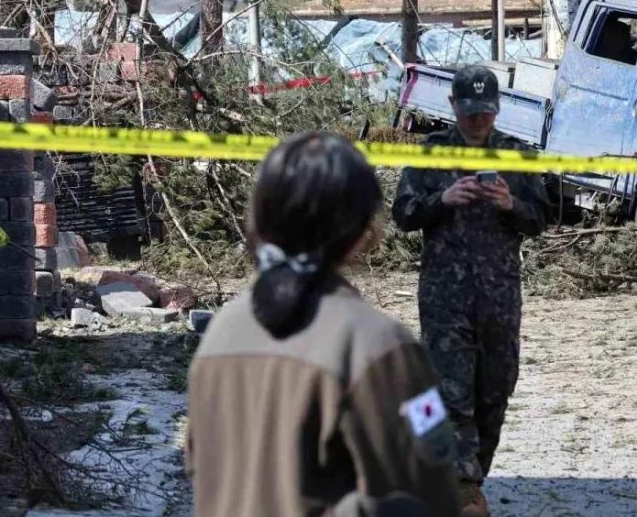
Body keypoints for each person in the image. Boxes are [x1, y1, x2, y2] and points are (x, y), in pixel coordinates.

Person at [185, 131, 460, 517]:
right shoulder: (379, 345)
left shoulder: (221, 332)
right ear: (362, 233)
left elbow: (204, 473)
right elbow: (433, 494)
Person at [392, 65, 550, 517]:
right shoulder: (434, 152)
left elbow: (541, 217)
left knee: (494, 393)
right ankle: (462, 491)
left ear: (497, 108)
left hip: (499, 297)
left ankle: (468, 479)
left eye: (484, 112)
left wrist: (510, 203)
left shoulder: (516, 154)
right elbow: (403, 213)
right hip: (445, 296)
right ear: (453, 106)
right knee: (450, 393)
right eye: (468, 111)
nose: (477, 120)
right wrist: (442, 200)